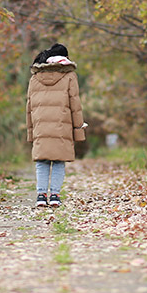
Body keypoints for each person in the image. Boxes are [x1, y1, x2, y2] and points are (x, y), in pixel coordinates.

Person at [25, 43, 86, 207]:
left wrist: (31, 132)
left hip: (40, 127)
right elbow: (75, 105)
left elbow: (29, 108)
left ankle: (41, 195)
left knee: (42, 161)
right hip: (62, 126)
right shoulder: (69, 76)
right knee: (59, 161)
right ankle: (54, 196)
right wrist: (78, 129)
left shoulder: (35, 77)